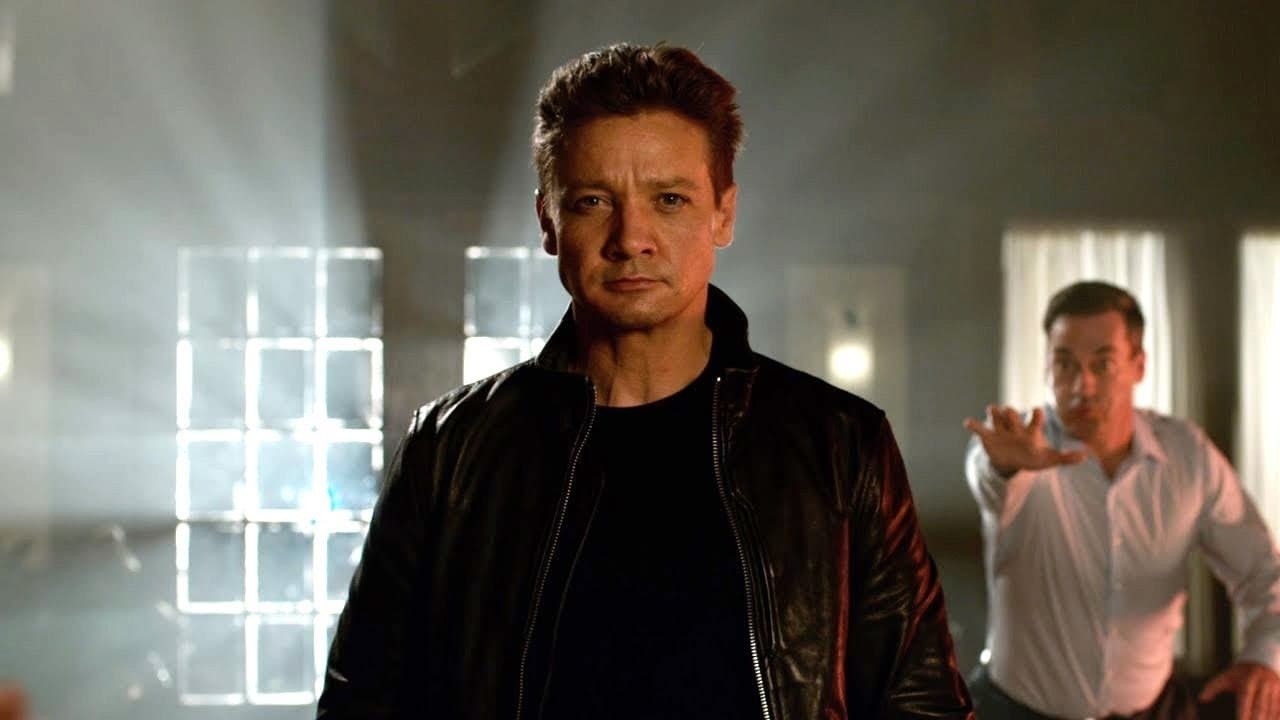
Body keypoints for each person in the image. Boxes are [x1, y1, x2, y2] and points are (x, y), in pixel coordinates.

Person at [317, 43, 972, 719]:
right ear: (548, 221)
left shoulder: (838, 443)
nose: (632, 238)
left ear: (723, 214)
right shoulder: (452, 449)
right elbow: (360, 703)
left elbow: (921, 704)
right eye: (593, 201)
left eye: (669, 199)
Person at [963, 280, 1280, 720]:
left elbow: (1264, 571)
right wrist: (1003, 465)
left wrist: (1265, 657)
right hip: (1015, 711)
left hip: (1154, 710)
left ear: (1139, 365)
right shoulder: (1018, 446)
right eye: (1065, 364)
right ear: (1047, 368)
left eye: (1103, 364)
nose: (1082, 386)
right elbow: (989, 475)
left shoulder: (1186, 455)